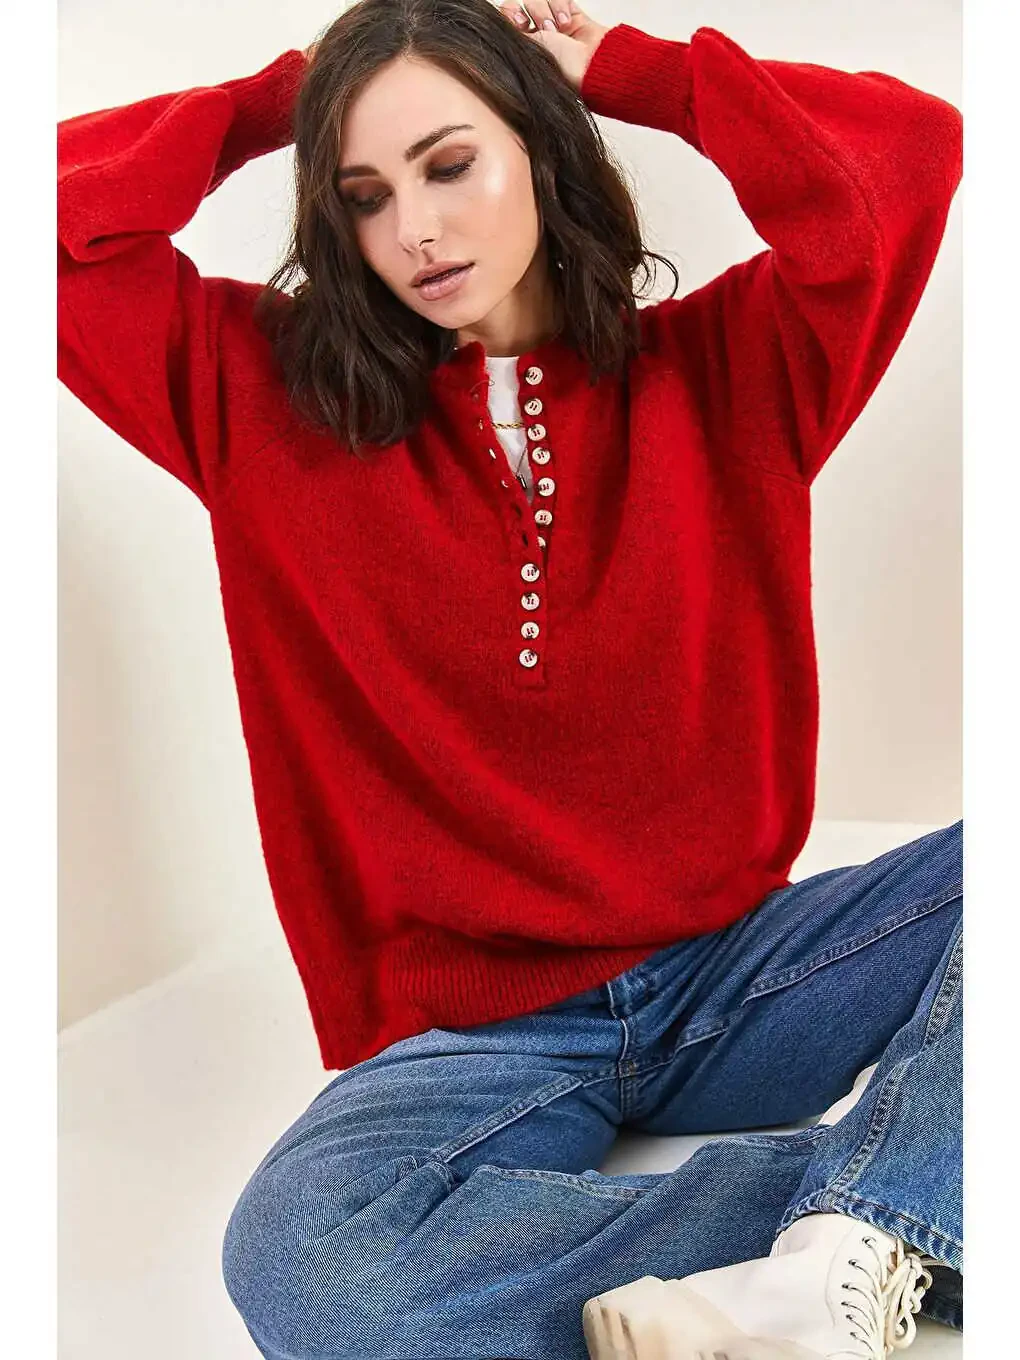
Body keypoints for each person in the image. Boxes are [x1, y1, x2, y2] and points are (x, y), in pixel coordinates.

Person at [57, 0, 963, 1356]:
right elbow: (45, 222)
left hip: (743, 975)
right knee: (309, 1266)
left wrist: (634, 70)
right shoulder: (255, 399)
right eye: (364, 195)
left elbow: (908, 154)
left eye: (449, 163)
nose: (415, 229)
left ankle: (863, 1235)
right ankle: (890, 1213)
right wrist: (285, 97)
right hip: (473, 1038)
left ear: (540, 146)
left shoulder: (735, 367)